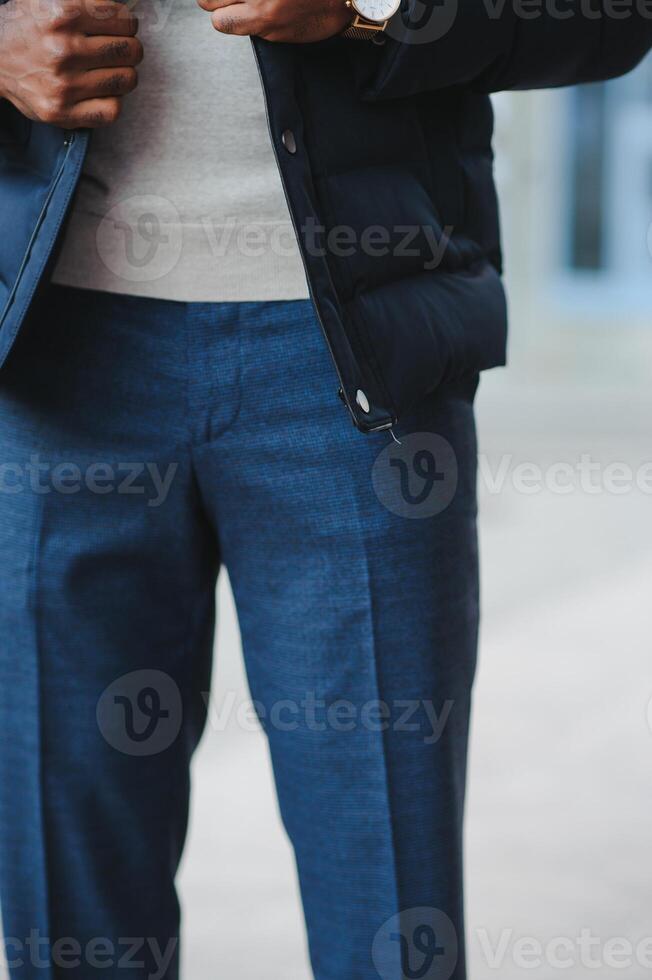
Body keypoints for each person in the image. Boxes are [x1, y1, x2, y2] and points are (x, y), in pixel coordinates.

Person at [0, 0, 649, 974]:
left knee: (385, 904)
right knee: (72, 924)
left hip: (355, 364)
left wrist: (372, 10)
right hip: (61, 364)